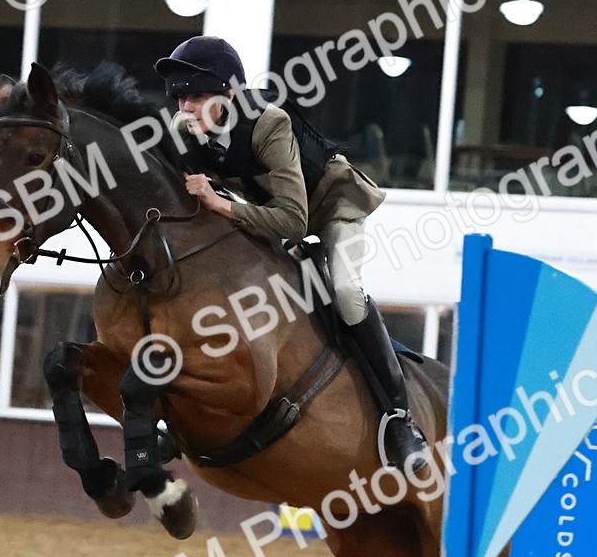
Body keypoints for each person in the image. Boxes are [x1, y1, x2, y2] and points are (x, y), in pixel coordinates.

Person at [154, 35, 430, 473]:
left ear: (229, 95)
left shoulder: (269, 124)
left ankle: (400, 420)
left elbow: (294, 222)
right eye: (180, 98)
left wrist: (219, 204)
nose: (186, 108)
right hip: (270, 215)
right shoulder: (182, 129)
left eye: (198, 98)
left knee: (345, 292)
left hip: (331, 209)